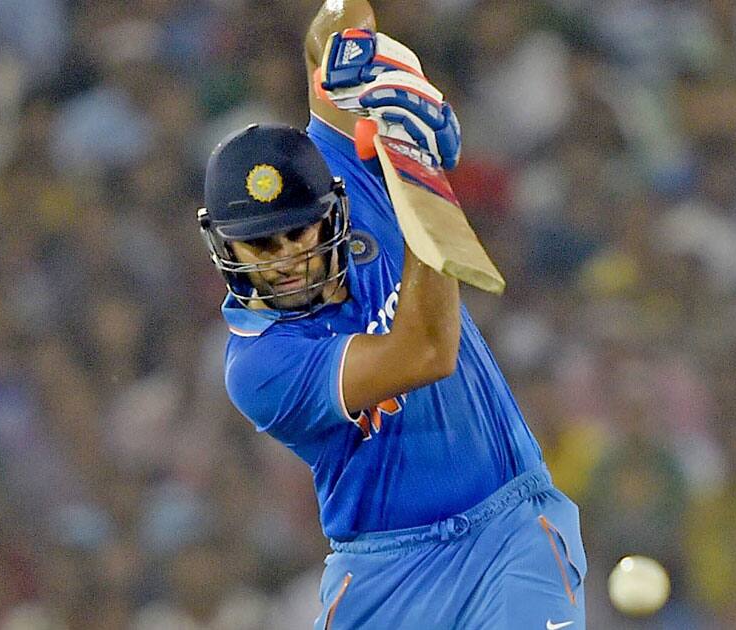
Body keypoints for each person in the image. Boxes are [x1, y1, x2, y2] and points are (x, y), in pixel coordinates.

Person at [196, 2, 587, 628]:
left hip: (509, 531)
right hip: (384, 574)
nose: (288, 257)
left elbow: (331, 22)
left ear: (333, 208)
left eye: (300, 231)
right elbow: (426, 351)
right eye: (262, 245)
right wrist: (417, 170)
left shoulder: (342, 164)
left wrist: (352, 48)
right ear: (226, 248)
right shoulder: (258, 364)